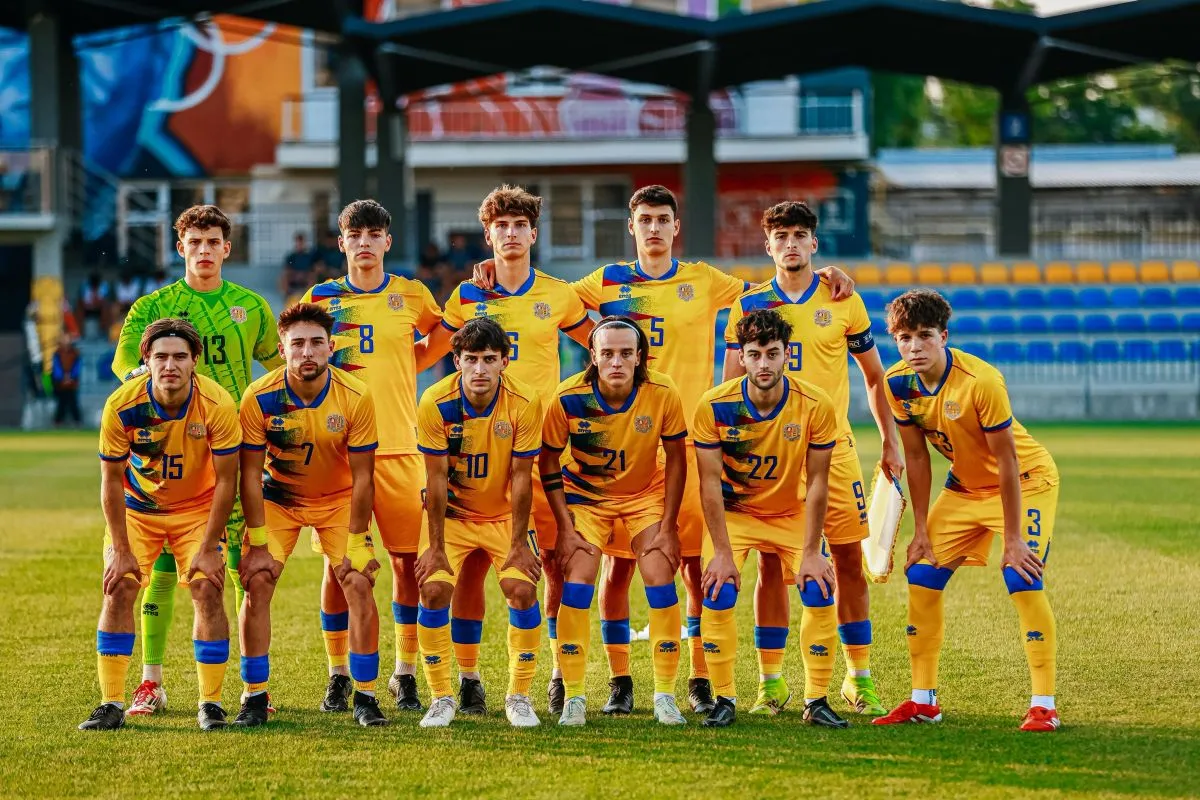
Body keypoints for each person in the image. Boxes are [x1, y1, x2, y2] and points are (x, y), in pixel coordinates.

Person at [473, 184, 856, 716]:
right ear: (631, 227)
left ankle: (699, 678)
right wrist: (494, 266)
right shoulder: (605, 281)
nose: (653, 228)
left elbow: (771, 289)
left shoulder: (704, 279)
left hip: (688, 445)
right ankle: (603, 679)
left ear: (676, 227)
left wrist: (823, 275)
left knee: (693, 566)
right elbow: (542, 295)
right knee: (608, 569)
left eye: (662, 219)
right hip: (619, 441)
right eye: (645, 220)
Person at [413, 185, 592, 716]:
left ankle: (557, 672)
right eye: (501, 227)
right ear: (488, 235)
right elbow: (428, 352)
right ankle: (468, 678)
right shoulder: (468, 295)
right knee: (467, 569)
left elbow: (605, 346)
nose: (510, 234)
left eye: (519, 226)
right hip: (479, 453)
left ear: (533, 234)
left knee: (553, 565)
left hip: (546, 452)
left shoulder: (559, 295)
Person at [723, 201, 903, 718]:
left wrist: (890, 441)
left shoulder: (842, 298)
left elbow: (874, 376)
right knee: (772, 565)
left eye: (800, 235)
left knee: (847, 560)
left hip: (835, 449)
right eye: (781, 236)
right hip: (770, 453)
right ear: (768, 246)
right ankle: (771, 684)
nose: (791, 244)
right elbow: (729, 384)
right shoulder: (749, 305)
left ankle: (858, 678)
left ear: (814, 243)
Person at [111, 204, 282, 717]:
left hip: (234, 451)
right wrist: (144, 392)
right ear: (179, 247)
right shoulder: (154, 306)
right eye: (195, 242)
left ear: (227, 249)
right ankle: (151, 682)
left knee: (242, 571)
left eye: (213, 242)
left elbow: (278, 364)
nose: (204, 250)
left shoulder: (251, 306)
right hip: (171, 455)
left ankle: (253, 689)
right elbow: (126, 364)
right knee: (163, 571)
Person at [872, 289, 1061, 732]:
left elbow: (1008, 461)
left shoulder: (981, 381)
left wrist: (1012, 539)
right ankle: (924, 701)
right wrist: (920, 530)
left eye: (924, 335)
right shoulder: (897, 383)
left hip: (1026, 482)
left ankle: (1044, 706)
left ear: (944, 336)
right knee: (922, 574)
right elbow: (916, 457)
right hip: (964, 488)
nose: (914, 347)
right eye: (904, 338)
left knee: (1021, 575)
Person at [302, 200, 444, 714]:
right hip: (340, 454)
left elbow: (443, 332)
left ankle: (404, 671)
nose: (364, 243)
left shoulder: (412, 293)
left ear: (387, 241)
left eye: (373, 234)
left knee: (407, 564)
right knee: (339, 567)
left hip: (400, 447)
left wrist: (411, 361)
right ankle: (339, 673)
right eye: (355, 235)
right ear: (342, 243)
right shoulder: (321, 297)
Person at [80, 318, 241, 731]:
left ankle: (211, 703)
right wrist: (120, 550)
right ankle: (111, 703)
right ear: (147, 360)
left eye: (180, 357)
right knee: (119, 586)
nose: (170, 365)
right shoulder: (122, 405)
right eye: (162, 357)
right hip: (139, 509)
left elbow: (227, 481)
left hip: (197, 510)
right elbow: (110, 481)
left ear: (195, 361)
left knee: (207, 587)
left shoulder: (217, 404)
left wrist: (209, 546)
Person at [234, 302, 386, 728]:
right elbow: (249, 476)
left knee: (358, 580)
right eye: (297, 343)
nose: (307, 352)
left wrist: (357, 542)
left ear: (331, 347)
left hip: (337, 500)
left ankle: (366, 696)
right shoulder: (259, 396)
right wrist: (257, 543)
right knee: (257, 581)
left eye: (316, 343)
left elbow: (364, 477)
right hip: (278, 499)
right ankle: (254, 696)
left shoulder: (355, 395)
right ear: (282, 349)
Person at [693, 308, 844, 729]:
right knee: (719, 588)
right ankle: (724, 699)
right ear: (741, 356)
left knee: (818, 586)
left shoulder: (815, 404)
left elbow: (818, 482)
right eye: (755, 354)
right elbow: (708, 485)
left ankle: (816, 700)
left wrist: (812, 552)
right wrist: (721, 552)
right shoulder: (714, 405)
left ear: (787, 355)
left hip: (791, 513)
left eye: (772, 354)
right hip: (736, 516)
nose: (764, 364)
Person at [540, 316, 689, 727]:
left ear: (640, 357)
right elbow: (548, 461)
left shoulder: (662, 393)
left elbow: (677, 460)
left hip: (644, 494)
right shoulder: (568, 397)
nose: (617, 361)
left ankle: (665, 695)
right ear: (593, 356)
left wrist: (669, 526)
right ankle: (574, 696)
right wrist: (565, 528)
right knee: (579, 578)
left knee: (659, 573)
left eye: (626, 353)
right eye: (607, 353)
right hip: (587, 497)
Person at [413, 318, 545, 729]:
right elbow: (435, 479)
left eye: (489, 359)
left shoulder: (525, 402)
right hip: (451, 517)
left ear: (505, 361)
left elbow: (522, 477)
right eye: (471, 359)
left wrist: (519, 543)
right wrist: (435, 547)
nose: (480, 369)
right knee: (433, 590)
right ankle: (441, 697)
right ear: (456, 361)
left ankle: (519, 697)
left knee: (521, 590)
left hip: (504, 517)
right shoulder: (435, 401)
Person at [51, 334, 82, 427]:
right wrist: (62, 378)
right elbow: (56, 367)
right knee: (61, 403)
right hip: (60, 384)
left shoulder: (75, 353)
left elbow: (77, 367)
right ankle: (58, 422)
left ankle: (77, 421)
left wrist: (71, 377)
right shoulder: (57, 353)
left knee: (73, 402)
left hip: (72, 383)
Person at [281, 232, 316, 304]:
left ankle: (308, 294)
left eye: (301, 242)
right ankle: (287, 295)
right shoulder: (291, 256)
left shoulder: (309, 256)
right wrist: (296, 274)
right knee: (284, 277)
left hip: (305, 278)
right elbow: (287, 270)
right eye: (298, 242)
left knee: (312, 277)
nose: (300, 244)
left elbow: (312, 270)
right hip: (294, 277)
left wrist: (303, 274)